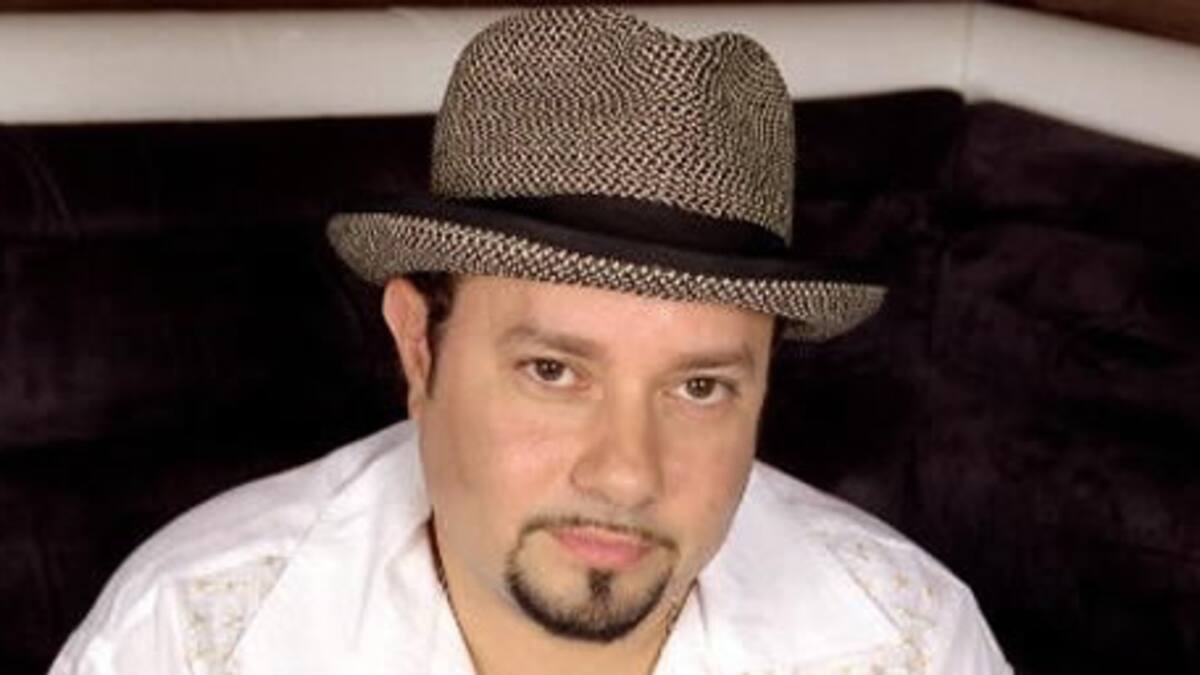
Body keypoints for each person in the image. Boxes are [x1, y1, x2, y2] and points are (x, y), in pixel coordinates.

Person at [52, 6, 1011, 674]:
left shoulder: (912, 644)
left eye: (700, 387)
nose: (626, 473)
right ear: (418, 348)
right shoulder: (196, 638)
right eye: (553, 370)